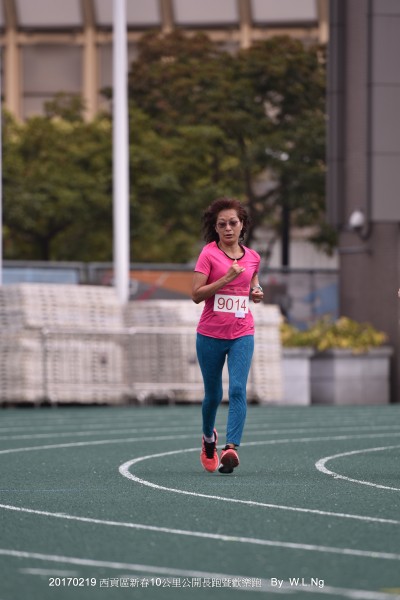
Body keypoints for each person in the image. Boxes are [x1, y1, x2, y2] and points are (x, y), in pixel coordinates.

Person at [192, 197, 263, 474]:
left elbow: (253, 282)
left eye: (233, 222)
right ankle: (208, 439)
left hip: (242, 333)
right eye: (222, 224)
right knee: (213, 395)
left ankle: (231, 448)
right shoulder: (208, 254)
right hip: (210, 334)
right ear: (216, 228)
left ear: (242, 224)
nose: (228, 228)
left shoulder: (253, 257)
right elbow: (196, 295)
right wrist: (225, 279)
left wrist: (256, 292)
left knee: (237, 390)